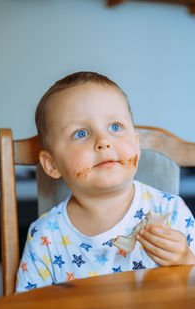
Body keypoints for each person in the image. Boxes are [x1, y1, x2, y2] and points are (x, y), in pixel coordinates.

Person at [16, 71, 195, 292]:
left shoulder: (172, 211)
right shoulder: (45, 236)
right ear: (52, 164)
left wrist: (186, 260)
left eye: (115, 127)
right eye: (81, 133)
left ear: (136, 144)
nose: (103, 141)